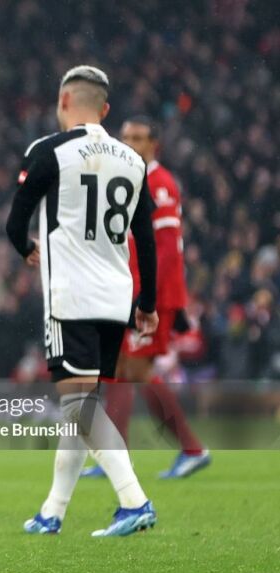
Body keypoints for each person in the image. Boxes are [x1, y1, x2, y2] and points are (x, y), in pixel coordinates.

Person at [5, 66, 158, 537]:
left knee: (77, 408)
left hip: (71, 296)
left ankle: (134, 501)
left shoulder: (49, 151)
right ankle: (52, 511)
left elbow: (15, 221)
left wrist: (25, 247)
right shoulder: (133, 161)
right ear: (106, 109)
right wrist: (148, 302)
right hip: (115, 299)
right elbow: (146, 237)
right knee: (82, 407)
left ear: (64, 100)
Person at [81, 116, 210, 480]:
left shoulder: (160, 183)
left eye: (138, 138)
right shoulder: (130, 180)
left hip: (152, 297)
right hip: (130, 291)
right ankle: (116, 458)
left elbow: (165, 250)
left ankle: (193, 449)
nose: (130, 144)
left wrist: (147, 298)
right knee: (119, 371)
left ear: (155, 144)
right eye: (126, 138)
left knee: (137, 371)